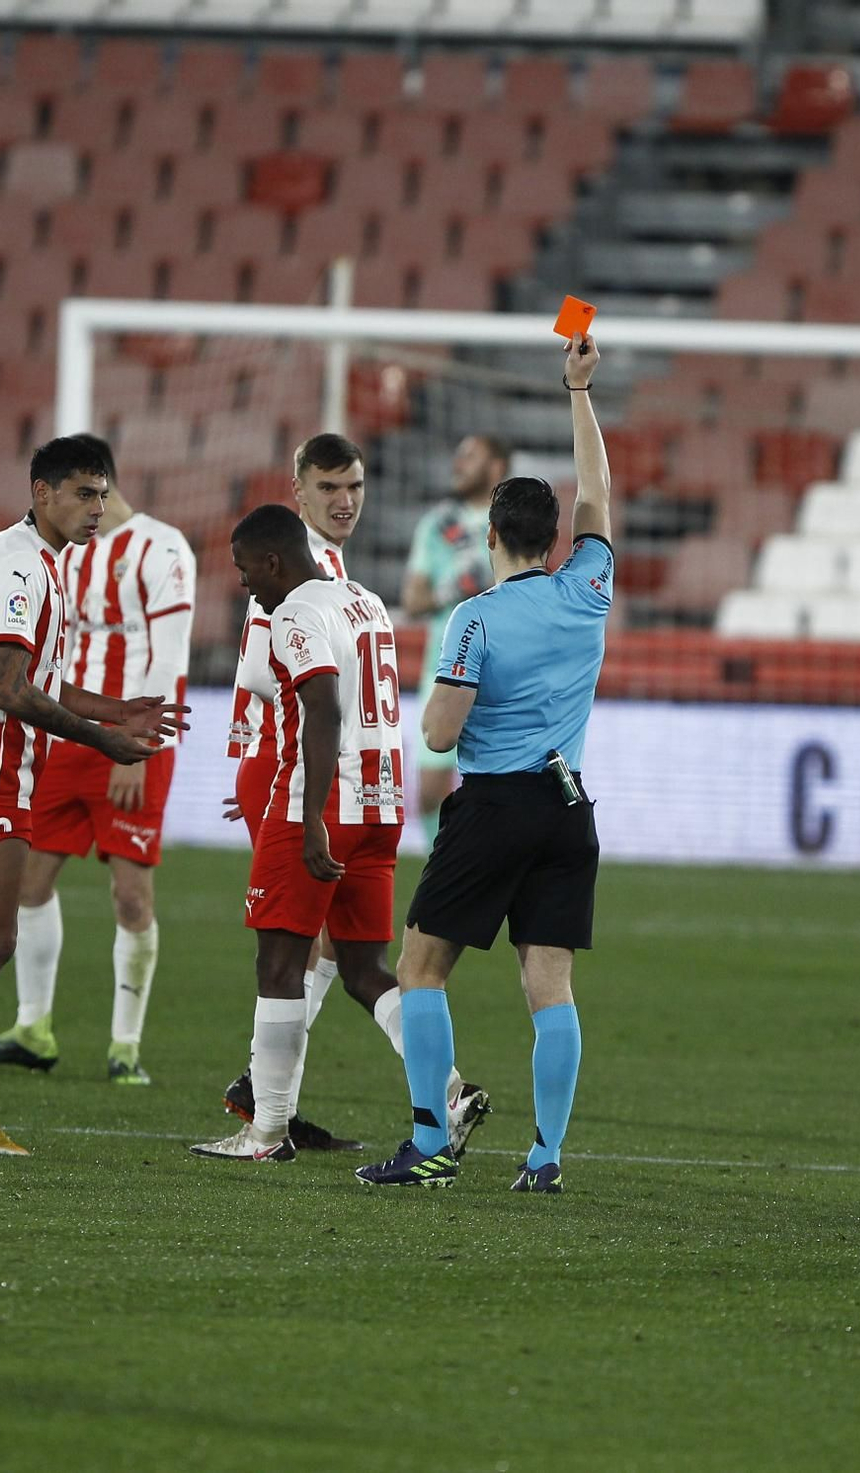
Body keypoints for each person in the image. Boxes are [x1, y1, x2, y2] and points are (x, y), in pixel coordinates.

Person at [356, 332, 614, 1193]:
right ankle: (545, 1158)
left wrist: (441, 699)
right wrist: (579, 392)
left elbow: (438, 733)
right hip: (569, 809)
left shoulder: (474, 618)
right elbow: (599, 494)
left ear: (492, 533)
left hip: (496, 806)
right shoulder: (589, 588)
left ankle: (431, 1142)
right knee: (551, 987)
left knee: (420, 967)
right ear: (557, 537)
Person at [0, 438, 188, 1156]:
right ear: (41, 491)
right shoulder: (22, 566)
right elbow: (10, 690)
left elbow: (39, 679)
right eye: (83, 493)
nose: (96, 509)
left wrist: (117, 709)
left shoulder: (27, 557)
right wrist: (102, 739)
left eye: (102, 494)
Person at [218, 436, 490, 1158]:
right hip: (343, 782)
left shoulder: (297, 581)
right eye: (329, 487)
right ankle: (431, 1091)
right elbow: (274, 684)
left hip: (316, 781)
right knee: (336, 952)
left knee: (305, 951)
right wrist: (258, 762)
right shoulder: (328, 577)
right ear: (299, 491)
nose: (345, 502)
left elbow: (279, 682)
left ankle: (266, 1106)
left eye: (356, 487)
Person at [190, 503, 411, 1163]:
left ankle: (266, 1132)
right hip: (381, 802)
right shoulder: (365, 600)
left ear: (273, 560)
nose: (244, 584)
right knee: (366, 969)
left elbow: (322, 707)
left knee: (279, 964)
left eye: (245, 569)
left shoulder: (292, 613)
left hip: (316, 802)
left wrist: (311, 816)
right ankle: (448, 1095)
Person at [0, 435, 196, 1086]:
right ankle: (34, 1027)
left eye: (90, 492)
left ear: (106, 484)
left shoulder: (163, 548)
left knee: (131, 895)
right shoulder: (62, 550)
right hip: (67, 734)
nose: (88, 507)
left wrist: (140, 747)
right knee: (30, 880)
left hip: (131, 743)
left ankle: (124, 1045)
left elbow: (169, 654)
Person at [401, 435, 511, 849]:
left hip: (501, 668)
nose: (458, 463)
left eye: (470, 456)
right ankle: (445, 865)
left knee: (501, 792)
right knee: (430, 792)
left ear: (496, 467)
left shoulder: (514, 523)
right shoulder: (437, 524)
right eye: (458, 455)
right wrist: (453, 588)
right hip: (445, 666)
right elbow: (413, 601)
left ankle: (489, 870)